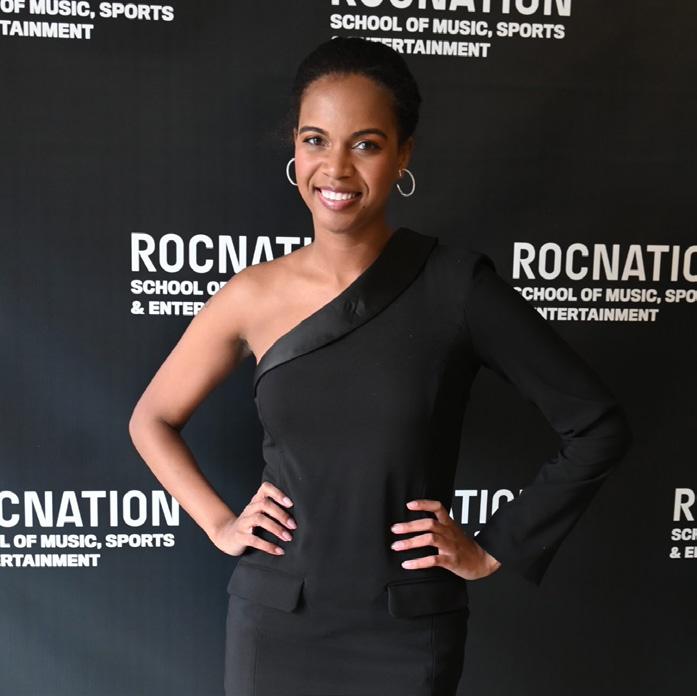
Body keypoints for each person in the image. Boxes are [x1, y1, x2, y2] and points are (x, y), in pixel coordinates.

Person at [129, 36, 633, 696]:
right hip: (275, 621)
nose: (335, 168)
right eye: (315, 140)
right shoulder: (250, 296)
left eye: (364, 144)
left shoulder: (456, 285)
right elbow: (152, 419)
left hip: (407, 629)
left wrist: (494, 546)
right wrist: (221, 524)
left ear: (403, 155)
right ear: (294, 148)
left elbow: (596, 426)